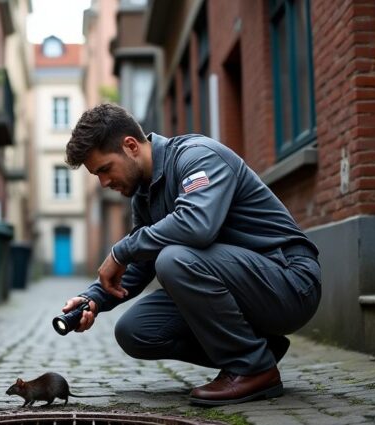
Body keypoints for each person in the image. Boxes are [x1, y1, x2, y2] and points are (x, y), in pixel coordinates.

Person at [61, 103, 321, 406]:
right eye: (97, 175)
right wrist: (95, 298)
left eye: (105, 169)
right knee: (136, 331)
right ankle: (259, 349)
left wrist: (120, 251)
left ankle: (252, 367)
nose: (104, 183)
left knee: (173, 259)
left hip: (289, 282)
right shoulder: (144, 195)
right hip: (244, 288)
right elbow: (142, 264)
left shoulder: (197, 156)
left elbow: (197, 226)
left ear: (130, 146)